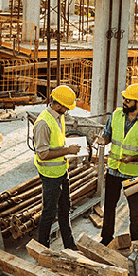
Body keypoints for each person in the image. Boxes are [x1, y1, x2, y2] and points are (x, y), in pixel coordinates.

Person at [95, 82, 138, 247]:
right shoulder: (116, 115)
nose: (124, 102)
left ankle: (136, 242)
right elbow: (107, 134)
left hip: (133, 173)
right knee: (109, 208)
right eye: (124, 99)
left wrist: (133, 158)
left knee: (135, 211)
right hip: (114, 170)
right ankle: (106, 238)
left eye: (128, 100)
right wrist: (103, 140)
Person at [32, 84, 81, 248]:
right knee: (49, 212)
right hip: (50, 175)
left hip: (61, 171)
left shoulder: (57, 116)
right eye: (66, 107)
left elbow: (57, 144)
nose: (67, 111)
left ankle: (69, 244)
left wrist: (67, 153)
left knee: (65, 208)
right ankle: (42, 247)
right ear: (58, 105)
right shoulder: (43, 124)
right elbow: (43, 154)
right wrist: (68, 150)